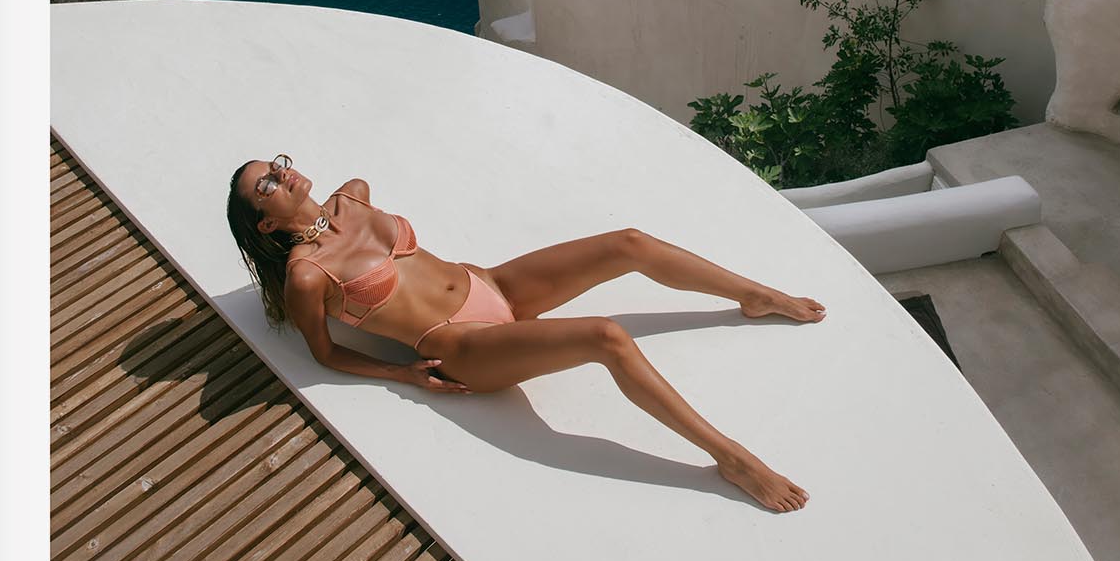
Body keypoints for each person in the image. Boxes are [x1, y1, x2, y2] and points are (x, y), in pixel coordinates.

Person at [226, 154, 820, 512]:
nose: (283, 176)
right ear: (266, 222)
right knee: (606, 337)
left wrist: (338, 209)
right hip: (460, 345)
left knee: (628, 243)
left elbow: (360, 186)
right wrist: (400, 373)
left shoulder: (350, 198)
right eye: (268, 186)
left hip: (493, 285)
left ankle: (754, 295)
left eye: (278, 167)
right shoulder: (307, 277)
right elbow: (325, 353)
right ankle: (732, 459)